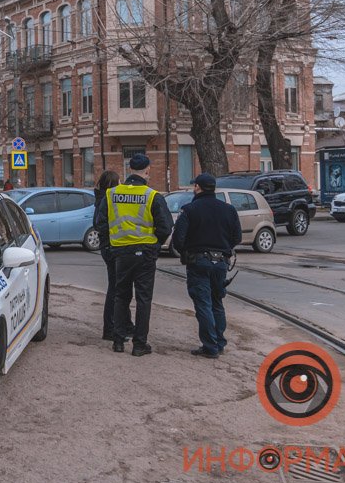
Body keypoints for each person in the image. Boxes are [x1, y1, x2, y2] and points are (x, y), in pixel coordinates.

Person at [93, 153, 172, 357]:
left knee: (121, 296)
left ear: (129, 170)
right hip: (145, 253)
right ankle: (139, 344)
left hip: (120, 252)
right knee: (143, 299)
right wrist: (155, 245)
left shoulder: (111, 194)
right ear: (147, 171)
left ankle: (118, 341)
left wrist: (112, 244)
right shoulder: (152, 195)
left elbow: (100, 223)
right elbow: (165, 227)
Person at [172, 173, 241, 359]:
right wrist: (224, 248)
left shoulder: (189, 210)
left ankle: (210, 346)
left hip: (198, 261)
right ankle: (219, 342)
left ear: (197, 187)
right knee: (217, 302)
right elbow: (237, 237)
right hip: (221, 262)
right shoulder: (229, 209)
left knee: (203, 303)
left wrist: (187, 251)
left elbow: (178, 239)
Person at [93, 169, 130, 341]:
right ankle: (110, 327)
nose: (121, 184)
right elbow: (99, 224)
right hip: (111, 248)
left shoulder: (104, 198)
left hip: (110, 247)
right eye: (119, 181)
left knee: (119, 287)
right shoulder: (106, 200)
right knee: (116, 288)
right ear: (113, 184)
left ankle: (123, 324)